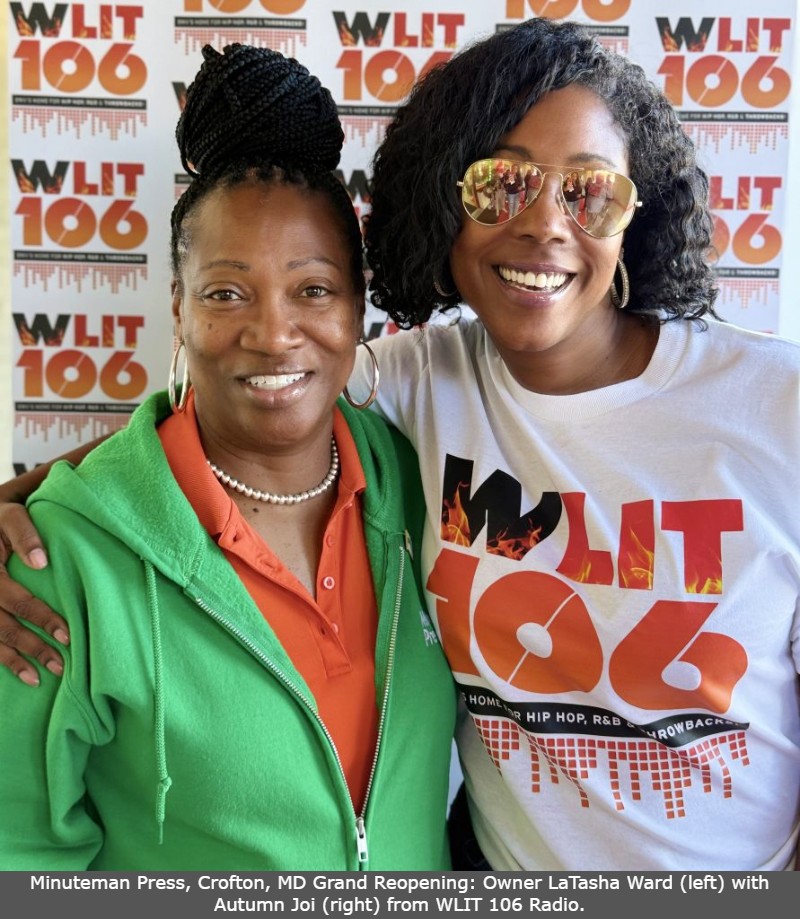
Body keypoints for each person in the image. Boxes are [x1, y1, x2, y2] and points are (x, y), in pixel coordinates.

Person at [1, 18, 799, 872]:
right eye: (502, 186)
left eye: (589, 191)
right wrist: (39, 511)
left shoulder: (772, 408)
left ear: (633, 215)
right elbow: (222, 415)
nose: (545, 226)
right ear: (443, 202)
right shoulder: (416, 383)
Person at [0, 42, 456, 871]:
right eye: (226, 292)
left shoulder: (421, 488)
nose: (273, 332)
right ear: (178, 309)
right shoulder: (57, 560)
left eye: (313, 289)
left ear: (360, 309)